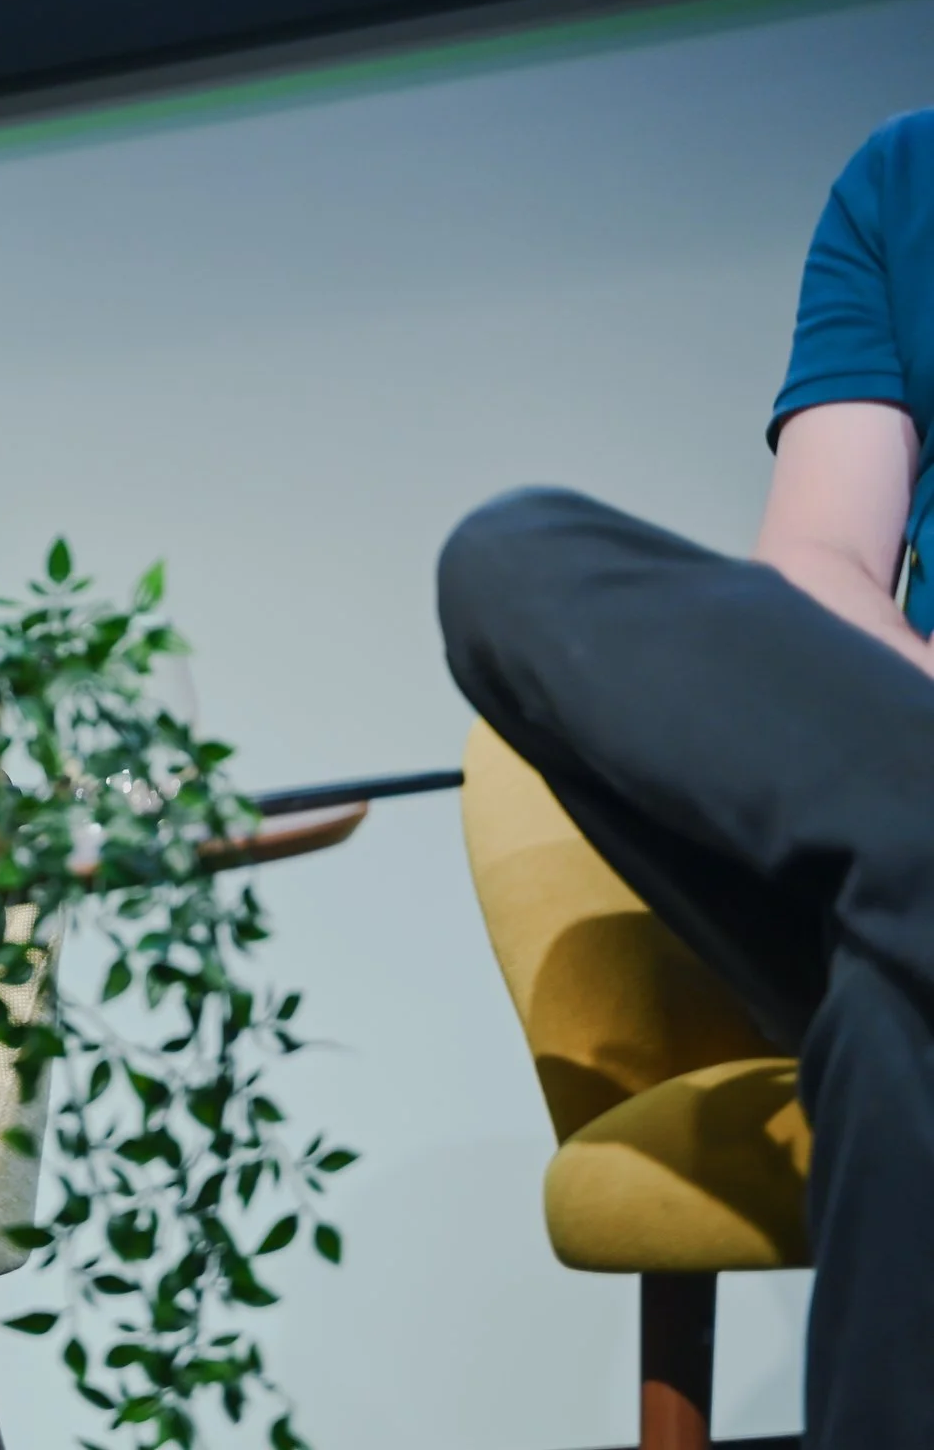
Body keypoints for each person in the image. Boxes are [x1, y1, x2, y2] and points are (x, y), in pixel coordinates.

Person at [437, 107, 934, 1448]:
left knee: (896, 1026)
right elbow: (823, 563)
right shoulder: (904, 177)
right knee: (510, 559)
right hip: (907, 778)